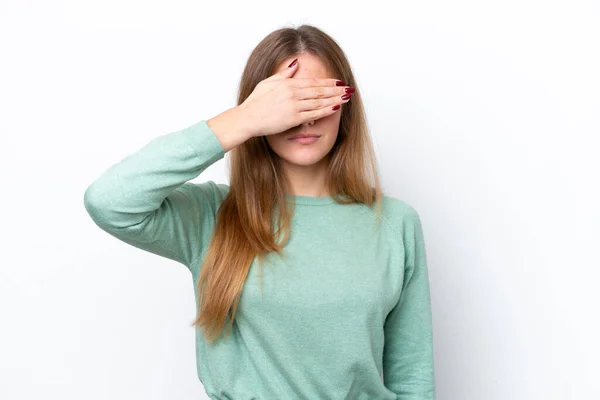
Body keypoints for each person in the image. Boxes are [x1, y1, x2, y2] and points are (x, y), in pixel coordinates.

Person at [83, 24, 436, 400]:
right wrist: (243, 120)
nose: (306, 119)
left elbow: (413, 377)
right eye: (288, 103)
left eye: (317, 98)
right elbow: (109, 200)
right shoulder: (212, 216)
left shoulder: (395, 223)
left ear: (345, 106)